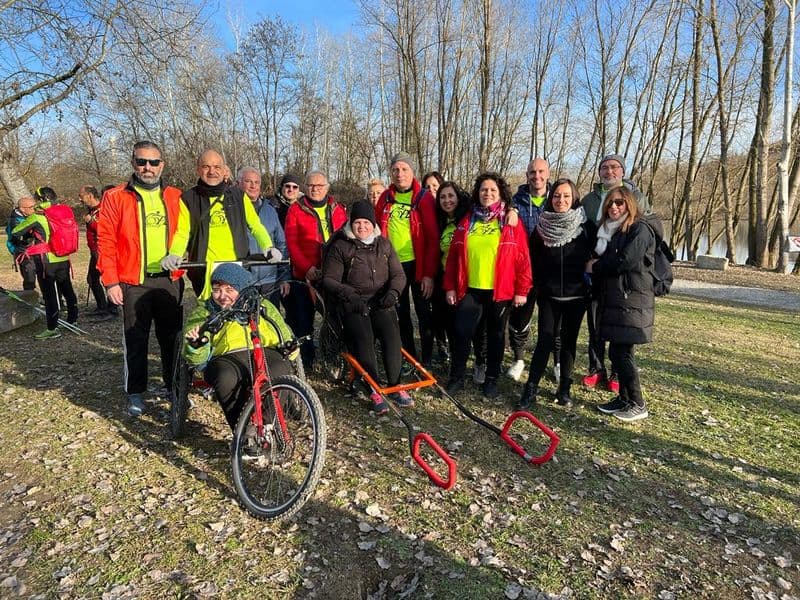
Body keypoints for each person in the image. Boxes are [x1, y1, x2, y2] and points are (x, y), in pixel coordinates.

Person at [96, 140, 184, 417]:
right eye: (141, 161)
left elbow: (188, 234)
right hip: (133, 280)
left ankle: (174, 388)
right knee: (136, 339)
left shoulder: (175, 195)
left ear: (162, 165)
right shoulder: (115, 196)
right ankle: (135, 391)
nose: (148, 167)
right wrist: (110, 281)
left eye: (153, 162)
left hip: (169, 280)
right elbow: (105, 240)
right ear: (133, 163)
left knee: (173, 339)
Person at [443, 172, 531, 398]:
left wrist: (522, 290)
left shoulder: (510, 221)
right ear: (477, 193)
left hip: (499, 291)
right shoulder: (467, 219)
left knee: (495, 336)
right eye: (484, 190)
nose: (488, 193)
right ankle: (457, 377)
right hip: (470, 289)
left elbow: (522, 257)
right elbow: (453, 257)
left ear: (500, 193)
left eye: (492, 190)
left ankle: (491, 379)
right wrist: (451, 286)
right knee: (462, 332)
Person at [183, 263, 296, 430]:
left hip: (264, 351)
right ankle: (243, 431)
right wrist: (196, 345)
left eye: (230, 290)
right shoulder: (204, 312)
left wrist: (290, 347)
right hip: (225, 357)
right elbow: (196, 358)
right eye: (217, 289)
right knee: (225, 377)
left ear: (243, 288)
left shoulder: (263, 305)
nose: (222, 296)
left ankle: (267, 425)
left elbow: (283, 331)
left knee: (280, 368)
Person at [321, 201, 409, 415]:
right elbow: (329, 280)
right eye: (357, 222)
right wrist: (349, 294)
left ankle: (396, 384)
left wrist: (393, 293)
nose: (362, 227)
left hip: (380, 301)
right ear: (351, 223)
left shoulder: (384, 245)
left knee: (391, 335)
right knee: (364, 338)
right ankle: (372, 386)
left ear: (373, 224)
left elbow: (398, 275)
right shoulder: (342, 246)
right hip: (352, 302)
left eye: (366, 222)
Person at [517, 179, 596, 410]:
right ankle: (530, 388)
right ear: (551, 199)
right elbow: (532, 259)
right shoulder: (542, 227)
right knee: (545, 340)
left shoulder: (585, 226)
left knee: (569, 342)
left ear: (574, 199)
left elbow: (596, 254)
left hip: (576, 296)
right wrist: (540, 287)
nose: (561, 200)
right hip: (549, 296)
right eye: (556, 196)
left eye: (566, 196)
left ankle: (564, 388)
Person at [164, 149, 278, 298]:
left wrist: (267, 247)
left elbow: (255, 226)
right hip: (203, 271)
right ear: (198, 169)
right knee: (209, 316)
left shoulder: (239, 196)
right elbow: (183, 232)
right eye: (206, 167)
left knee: (238, 315)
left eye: (217, 167)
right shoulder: (188, 198)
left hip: (237, 269)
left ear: (224, 170)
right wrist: (175, 253)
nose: (212, 171)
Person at [580, 154, 651, 393]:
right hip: (595, 274)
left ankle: (617, 372)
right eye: (604, 167)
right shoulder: (589, 200)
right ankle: (595, 367)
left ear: (622, 171)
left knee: (620, 328)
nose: (608, 171)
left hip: (621, 277)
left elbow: (639, 241)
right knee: (595, 322)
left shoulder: (637, 198)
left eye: (614, 167)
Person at [585, 186, 655, 422]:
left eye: (619, 203)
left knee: (623, 352)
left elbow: (624, 261)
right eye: (610, 203)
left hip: (631, 300)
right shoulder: (612, 231)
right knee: (616, 350)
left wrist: (595, 267)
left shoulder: (639, 229)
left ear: (629, 205)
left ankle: (637, 402)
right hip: (616, 299)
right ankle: (624, 398)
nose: (614, 207)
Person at [374, 152, 439, 366]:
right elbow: (375, 230)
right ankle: (410, 356)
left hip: (417, 264)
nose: (399, 174)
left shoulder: (424, 198)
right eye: (395, 170)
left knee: (423, 312)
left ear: (412, 172)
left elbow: (432, 238)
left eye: (404, 169)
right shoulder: (385, 198)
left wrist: (428, 274)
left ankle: (427, 358)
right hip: (393, 265)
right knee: (400, 312)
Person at [284, 169, 348, 369]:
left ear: (327, 188)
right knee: (304, 320)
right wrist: (306, 267)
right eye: (311, 185)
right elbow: (292, 243)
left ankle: (335, 355)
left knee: (336, 317)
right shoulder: (296, 210)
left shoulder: (337, 209)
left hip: (333, 274)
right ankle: (306, 360)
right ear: (305, 188)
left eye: (319, 186)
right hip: (305, 275)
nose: (315, 189)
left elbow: (345, 239)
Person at [506, 158, 553, 381]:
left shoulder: (558, 198)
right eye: (532, 172)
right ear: (527, 175)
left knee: (552, 321)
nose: (537, 176)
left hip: (552, 271)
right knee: (519, 318)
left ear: (548, 173)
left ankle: (559, 363)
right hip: (523, 270)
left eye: (541, 171)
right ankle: (518, 358)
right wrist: (511, 209)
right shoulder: (517, 200)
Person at [11, 189, 79, 339]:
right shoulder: (64, 211)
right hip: (64, 257)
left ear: (40, 200)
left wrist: (30, 232)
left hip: (46, 259)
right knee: (67, 288)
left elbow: (16, 231)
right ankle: (73, 319)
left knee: (50, 295)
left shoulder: (38, 216)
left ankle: (52, 328)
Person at [237, 166, 290, 307]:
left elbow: (281, 244)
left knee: (270, 322)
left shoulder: (270, 210)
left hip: (269, 281)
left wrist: (284, 277)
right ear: (238, 183)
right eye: (248, 181)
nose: (253, 186)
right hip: (242, 281)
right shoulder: (231, 210)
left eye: (257, 182)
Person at [433, 181, 470, 368]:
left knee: (462, 325)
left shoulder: (469, 217)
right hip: (444, 277)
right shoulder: (439, 221)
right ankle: (452, 360)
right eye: (442, 197)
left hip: (466, 279)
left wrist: (513, 210)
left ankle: (470, 362)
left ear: (458, 197)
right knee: (447, 321)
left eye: (450, 196)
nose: (447, 200)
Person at [79, 185, 116, 320]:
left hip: (102, 250)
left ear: (90, 195)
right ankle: (102, 306)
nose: (80, 199)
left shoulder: (103, 208)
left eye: (81, 196)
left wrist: (91, 222)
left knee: (107, 279)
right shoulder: (91, 210)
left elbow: (106, 229)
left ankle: (112, 309)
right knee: (92, 279)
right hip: (94, 250)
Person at [5, 197, 37, 291]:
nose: (34, 209)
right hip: (22, 251)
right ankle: (28, 301)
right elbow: (17, 237)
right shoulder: (15, 221)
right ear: (22, 209)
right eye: (32, 207)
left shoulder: (29, 216)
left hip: (33, 249)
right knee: (29, 278)